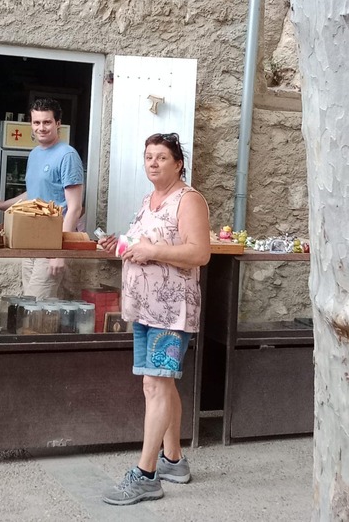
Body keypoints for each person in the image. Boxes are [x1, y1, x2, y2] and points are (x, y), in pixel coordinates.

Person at [99, 132, 211, 506]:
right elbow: (140, 247)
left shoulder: (189, 199)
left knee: (155, 385)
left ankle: (146, 474)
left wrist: (150, 251)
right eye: (148, 156)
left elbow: (199, 253)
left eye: (161, 157)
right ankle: (173, 461)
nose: (153, 163)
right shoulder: (149, 200)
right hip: (144, 308)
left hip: (171, 310)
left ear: (178, 163)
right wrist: (118, 244)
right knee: (162, 383)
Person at [0, 98, 84, 299]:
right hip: (32, 239)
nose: (41, 128)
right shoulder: (35, 154)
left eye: (47, 122)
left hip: (53, 243)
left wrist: (59, 252)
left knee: (37, 306)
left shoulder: (67, 156)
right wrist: (4, 205)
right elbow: (34, 195)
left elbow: (75, 208)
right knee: (28, 302)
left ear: (58, 123)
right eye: (36, 122)